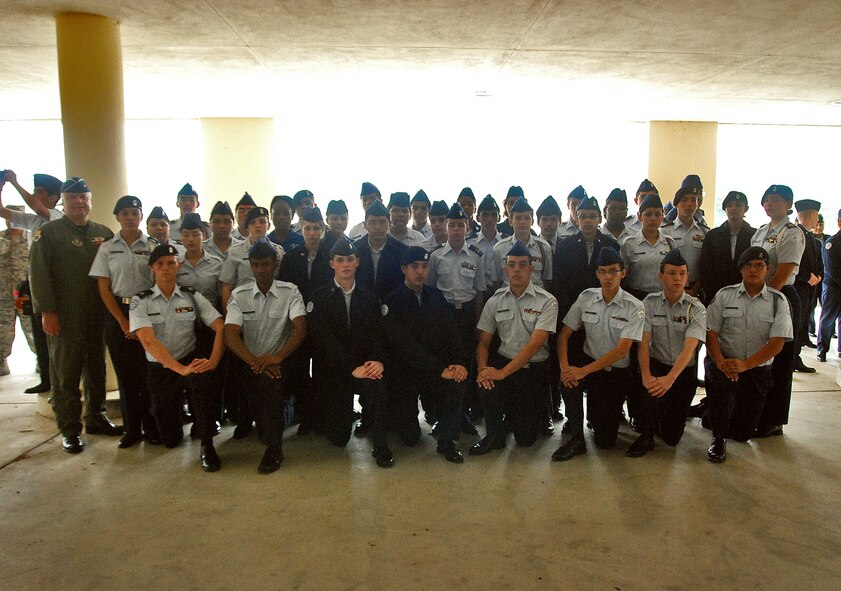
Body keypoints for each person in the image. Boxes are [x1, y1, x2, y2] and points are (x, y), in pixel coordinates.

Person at [29, 177, 122, 454]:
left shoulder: (103, 233)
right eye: (73, 198)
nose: (79, 202)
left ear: (90, 201)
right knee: (65, 373)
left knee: (96, 368)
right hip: (65, 316)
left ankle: (95, 416)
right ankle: (69, 429)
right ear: (63, 202)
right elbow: (38, 275)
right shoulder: (48, 234)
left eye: (84, 197)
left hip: (97, 314)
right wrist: (47, 311)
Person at [130, 244, 225, 470]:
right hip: (162, 368)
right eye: (160, 264)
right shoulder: (140, 301)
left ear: (178, 266)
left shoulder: (191, 296)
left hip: (189, 360)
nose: (166, 269)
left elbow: (221, 327)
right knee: (170, 439)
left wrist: (212, 361)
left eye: (171, 263)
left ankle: (207, 444)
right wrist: (179, 370)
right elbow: (148, 342)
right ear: (152, 267)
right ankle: (173, 423)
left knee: (203, 389)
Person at [224, 239, 307, 473]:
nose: (261, 269)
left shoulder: (289, 291)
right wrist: (256, 362)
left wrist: (277, 357)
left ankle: (274, 449)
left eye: (266, 264)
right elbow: (230, 334)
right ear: (250, 265)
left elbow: (300, 328)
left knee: (271, 389)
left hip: (281, 362)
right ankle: (280, 416)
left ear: (275, 264)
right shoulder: (239, 295)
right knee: (260, 417)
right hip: (250, 362)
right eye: (256, 264)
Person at [554, 247, 644, 460]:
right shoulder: (586, 297)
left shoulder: (635, 306)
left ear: (623, 273)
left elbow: (623, 350)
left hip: (614, 374)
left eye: (613, 271)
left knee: (605, 442)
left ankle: (596, 416)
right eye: (602, 271)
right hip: (589, 364)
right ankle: (577, 438)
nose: (608, 277)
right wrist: (566, 368)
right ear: (596, 274)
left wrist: (582, 371)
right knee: (567, 381)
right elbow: (563, 335)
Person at [308, 238, 391, 466]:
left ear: (358, 263)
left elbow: (377, 335)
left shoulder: (369, 298)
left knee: (378, 384)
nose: (346, 264)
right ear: (331, 264)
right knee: (338, 438)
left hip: (364, 367)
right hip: (335, 371)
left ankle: (381, 445)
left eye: (350, 260)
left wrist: (377, 361)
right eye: (340, 260)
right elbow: (324, 344)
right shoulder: (319, 298)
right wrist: (350, 368)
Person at [704, 246, 791, 463]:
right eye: (748, 265)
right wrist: (721, 362)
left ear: (768, 269)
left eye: (759, 265)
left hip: (756, 368)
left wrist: (745, 365)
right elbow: (710, 333)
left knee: (742, 434)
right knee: (720, 393)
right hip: (723, 362)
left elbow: (777, 343)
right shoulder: (725, 295)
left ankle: (712, 416)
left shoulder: (777, 301)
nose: (753, 270)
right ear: (741, 269)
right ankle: (718, 437)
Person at [382, 246, 468, 463]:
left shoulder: (437, 297)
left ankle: (448, 442)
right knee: (410, 439)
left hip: (434, 371)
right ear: (404, 269)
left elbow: (452, 336)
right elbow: (405, 347)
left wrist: (457, 364)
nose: (420, 271)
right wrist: (440, 369)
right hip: (406, 374)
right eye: (414, 266)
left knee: (455, 382)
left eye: (424, 266)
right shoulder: (392, 302)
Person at [471, 241, 558, 455]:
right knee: (486, 385)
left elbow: (534, 345)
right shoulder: (495, 300)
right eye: (512, 265)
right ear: (506, 268)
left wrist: (501, 373)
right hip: (503, 362)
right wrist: (484, 370)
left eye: (522, 264)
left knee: (525, 440)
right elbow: (483, 342)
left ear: (532, 268)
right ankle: (494, 436)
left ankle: (523, 415)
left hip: (532, 370)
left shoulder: (547, 302)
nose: (516, 269)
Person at [89, 195, 157, 449]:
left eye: (135, 213)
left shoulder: (151, 247)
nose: (130, 217)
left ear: (141, 217)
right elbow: (104, 287)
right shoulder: (107, 248)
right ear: (117, 217)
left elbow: (157, 282)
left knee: (149, 372)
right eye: (125, 213)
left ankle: (152, 426)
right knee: (126, 375)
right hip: (118, 310)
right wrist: (121, 320)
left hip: (146, 311)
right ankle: (131, 429)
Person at [551, 196, 621, 436]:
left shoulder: (611, 245)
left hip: (602, 315)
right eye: (583, 217)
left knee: (596, 365)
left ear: (599, 218)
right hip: (572, 314)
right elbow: (559, 283)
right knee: (572, 366)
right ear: (576, 218)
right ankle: (573, 417)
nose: (588, 221)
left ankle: (594, 414)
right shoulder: (566, 244)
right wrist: (567, 317)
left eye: (592, 216)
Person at [630, 250, 707, 458]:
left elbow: (690, 348)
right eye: (672, 273)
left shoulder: (696, 308)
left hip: (682, 373)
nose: (678, 279)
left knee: (671, 437)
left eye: (682, 273)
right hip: (656, 366)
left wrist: (670, 380)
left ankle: (661, 417)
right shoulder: (649, 303)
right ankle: (646, 435)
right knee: (647, 396)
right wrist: (646, 376)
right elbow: (643, 344)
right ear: (661, 276)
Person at [749, 184, 805, 438]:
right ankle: (757, 412)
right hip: (760, 295)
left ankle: (774, 420)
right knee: (762, 357)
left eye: (776, 200)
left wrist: (765, 297)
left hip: (780, 296)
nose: (770, 204)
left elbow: (782, 273)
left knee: (781, 360)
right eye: (767, 200)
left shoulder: (792, 233)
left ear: (788, 204)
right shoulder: (761, 232)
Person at [426, 203, 485, 435]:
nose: (456, 229)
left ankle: (463, 416)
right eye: (452, 225)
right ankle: (442, 417)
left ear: (467, 227)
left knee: (466, 365)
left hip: (467, 314)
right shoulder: (436, 256)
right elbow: (429, 290)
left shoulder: (476, 256)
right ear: (445, 227)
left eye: (461, 225)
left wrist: (479, 323)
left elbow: (480, 290)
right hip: (443, 315)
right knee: (444, 364)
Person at [278, 206, 333, 434]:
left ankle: (324, 415)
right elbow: (284, 291)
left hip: (324, 322)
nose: (312, 233)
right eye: (307, 228)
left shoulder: (332, 255)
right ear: (301, 229)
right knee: (300, 371)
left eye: (316, 228)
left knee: (323, 371)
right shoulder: (291, 257)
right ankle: (306, 416)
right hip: (298, 322)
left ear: (323, 229)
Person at [220, 206, 285, 310]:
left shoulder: (279, 251)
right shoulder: (235, 252)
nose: (257, 225)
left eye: (262, 222)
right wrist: (228, 315)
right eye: (252, 222)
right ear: (247, 227)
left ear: (269, 225)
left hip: (273, 305)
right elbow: (226, 287)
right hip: (243, 305)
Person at [0, 206, 36, 375]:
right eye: (9, 217)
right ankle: (1, 361)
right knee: (3, 331)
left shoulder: (31, 239)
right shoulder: (1, 238)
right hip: (3, 294)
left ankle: (41, 360)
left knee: (32, 329)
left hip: (26, 295)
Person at [620, 193, 676, 301]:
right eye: (648, 214)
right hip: (635, 297)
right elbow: (622, 277)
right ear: (639, 216)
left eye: (657, 214)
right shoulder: (629, 244)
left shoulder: (669, 243)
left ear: (663, 216)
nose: (653, 218)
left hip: (663, 298)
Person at [491, 196, 553, 291]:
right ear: (511, 221)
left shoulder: (544, 248)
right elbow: (497, 282)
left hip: (536, 300)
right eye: (518, 218)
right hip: (508, 300)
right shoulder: (499, 248)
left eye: (526, 218)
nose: (523, 222)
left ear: (532, 221)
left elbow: (547, 280)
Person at [353, 200, 408, 301]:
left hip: (393, 305)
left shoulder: (402, 251)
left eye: (382, 222)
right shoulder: (354, 250)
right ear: (365, 225)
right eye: (372, 222)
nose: (378, 227)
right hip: (361, 305)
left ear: (389, 224)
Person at [662, 180, 708, 298]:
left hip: (697, 289)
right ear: (676, 204)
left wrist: (695, 289)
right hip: (671, 288)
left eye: (693, 200)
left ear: (697, 205)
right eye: (684, 200)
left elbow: (706, 264)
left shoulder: (704, 231)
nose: (689, 204)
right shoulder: (665, 231)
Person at [791, 199, 822, 373]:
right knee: (795, 325)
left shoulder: (810, 236)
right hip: (798, 287)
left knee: (802, 324)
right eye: (816, 215)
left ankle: (796, 356)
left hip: (809, 289)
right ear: (811, 214)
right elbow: (793, 262)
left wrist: (818, 277)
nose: (817, 219)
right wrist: (805, 277)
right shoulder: (796, 234)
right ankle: (793, 358)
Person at [817, 209, 841, 363]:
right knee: (828, 319)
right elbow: (833, 270)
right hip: (834, 288)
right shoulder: (832, 242)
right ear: (839, 222)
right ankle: (822, 349)